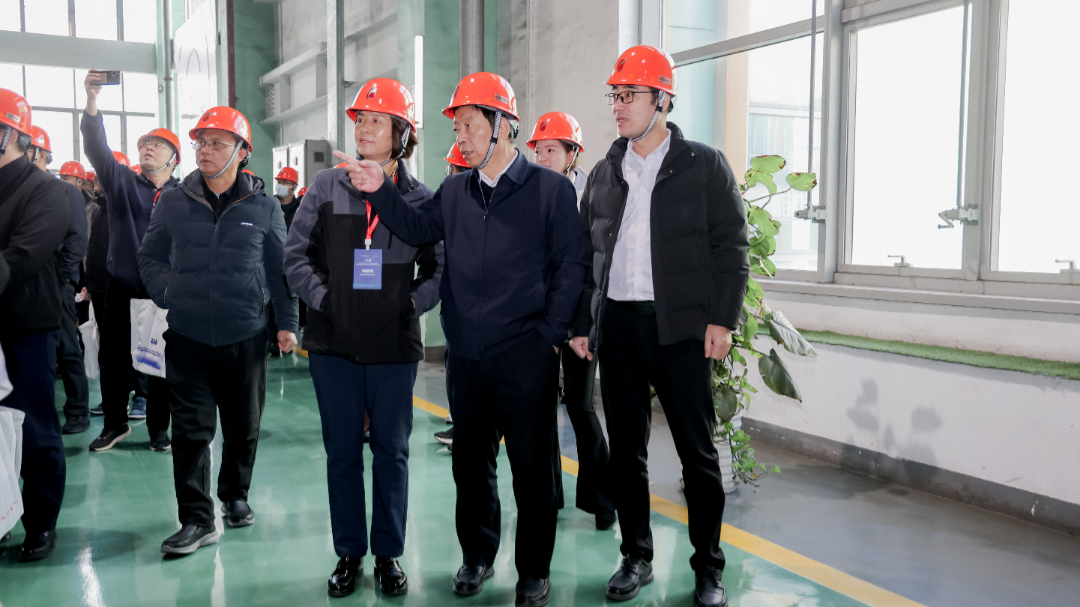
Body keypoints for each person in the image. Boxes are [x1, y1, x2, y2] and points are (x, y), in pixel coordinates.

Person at [340, 72, 589, 607]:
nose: (462, 138)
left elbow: (572, 267)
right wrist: (380, 188)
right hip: (467, 359)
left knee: (532, 471)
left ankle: (533, 572)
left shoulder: (550, 190)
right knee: (471, 469)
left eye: (471, 126)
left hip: (525, 355)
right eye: (457, 128)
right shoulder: (455, 191)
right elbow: (414, 227)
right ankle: (477, 556)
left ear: (502, 125)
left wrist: (549, 335)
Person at [569, 46, 749, 607]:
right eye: (615, 96)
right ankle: (636, 556)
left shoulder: (704, 166)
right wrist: (583, 323)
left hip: (681, 330)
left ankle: (708, 568)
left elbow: (732, 247)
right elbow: (585, 257)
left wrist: (722, 319)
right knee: (627, 453)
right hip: (620, 328)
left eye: (630, 95)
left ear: (662, 100)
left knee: (697, 454)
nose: (618, 106)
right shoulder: (605, 172)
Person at [285, 77, 443, 599]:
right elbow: (295, 257)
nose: (364, 128)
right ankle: (349, 552)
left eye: (377, 120)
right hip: (333, 346)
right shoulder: (326, 187)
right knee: (342, 455)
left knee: (392, 454)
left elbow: (439, 268)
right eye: (360, 120)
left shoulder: (420, 199)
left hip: (394, 349)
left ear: (402, 134)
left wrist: (412, 303)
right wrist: (327, 301)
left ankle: (388, 554)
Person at [137, 106, 299, 556]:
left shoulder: (264, 207)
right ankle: (196, 518)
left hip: (245, 335)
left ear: (242, 152)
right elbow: (149, 256)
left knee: (243, 424)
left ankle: (234, 493)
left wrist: (287, 324)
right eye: (201, 142)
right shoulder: (173, 201)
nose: (205, 150)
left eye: (217, 143)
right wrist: (167, 290)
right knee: (191, 430)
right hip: (187, 336)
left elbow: (280, 270)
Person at [80, 70, 180, 452]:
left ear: (174, 159)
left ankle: (158, 430)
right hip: (122, 287)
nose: (148, 148)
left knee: (159, 362)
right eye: (144, 144)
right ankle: (115, 424)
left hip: (162, 291)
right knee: (113, 358)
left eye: (157, 144)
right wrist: (92, 101)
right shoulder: (121, 182)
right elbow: (96, 148)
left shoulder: (183, 195)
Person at [527, 111, 617, 529]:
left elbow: (590, 268)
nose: (543, 157)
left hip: (580, 322)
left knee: (580, 408)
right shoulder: (528, 196)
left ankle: (603, 500)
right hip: (541, 321)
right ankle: (549, 496)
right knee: (541, 411)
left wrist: (582, 326)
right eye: (539, 150)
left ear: (572, 154)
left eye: (552, 150)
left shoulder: (589, 197)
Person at [0, 88, 69, 562]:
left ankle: (41, 521)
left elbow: (22, 257)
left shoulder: (47, 191)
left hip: (25, 328)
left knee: (34, 428)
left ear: (11, 134)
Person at [28, 130, 91, 434]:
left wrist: (65, 277)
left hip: (57, 283)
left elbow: (77, 238)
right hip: (26, 284)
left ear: (41, 154)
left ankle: (78, 411)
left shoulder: (66, 192)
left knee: (66, 345)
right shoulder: (22, 190)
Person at [431, 141, 472, 449]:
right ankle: (460, 420)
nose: (450, 174)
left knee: (464, 371)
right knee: (454, 366)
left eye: (454, 168)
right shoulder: (451, 201)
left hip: (472, 312)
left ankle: (465, 427)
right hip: (455, 307)